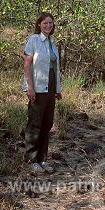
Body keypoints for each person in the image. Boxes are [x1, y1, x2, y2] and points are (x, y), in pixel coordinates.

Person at [23, 12, 62, 174]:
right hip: (37, 87)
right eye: (45, 23)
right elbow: (27, 65)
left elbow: (55, 68)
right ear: (39, 24)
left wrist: (58, 89)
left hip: (51, 87)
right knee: (35, 123)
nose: (48, 25)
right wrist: (29, 87)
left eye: (51, 23)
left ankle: (42, 159)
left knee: (47, 123)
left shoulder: (53, 42)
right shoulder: (34, 40)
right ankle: (31, 160)